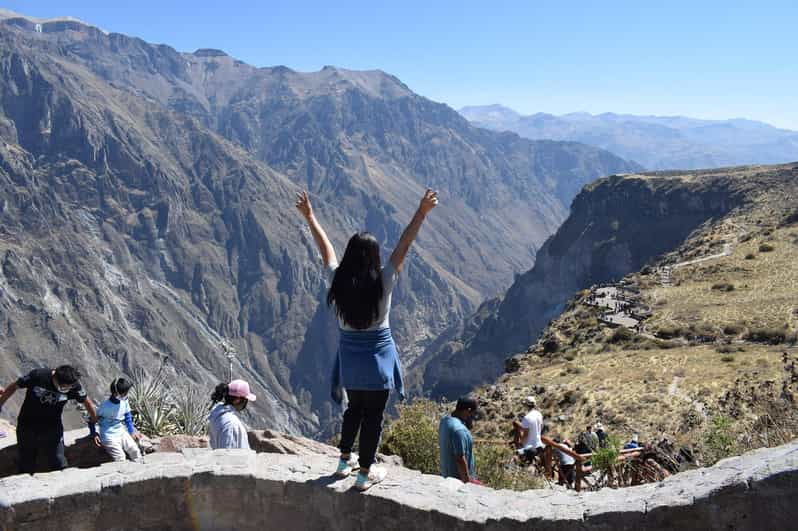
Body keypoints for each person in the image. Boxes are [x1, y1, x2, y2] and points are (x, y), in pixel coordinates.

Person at [296, 188, 438, 492]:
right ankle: (364, 475)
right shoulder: (383, 282)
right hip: (378, 360)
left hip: (349, 360)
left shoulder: (338, 281)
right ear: (374, 258)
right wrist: (421, 212)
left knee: (353, 411)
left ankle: (343, 462)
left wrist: (310, 217)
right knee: (373, 417)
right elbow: (404, 244)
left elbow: (326, 251)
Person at [0, 365, 97, 474]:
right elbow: (14, 386)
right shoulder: (38, 376)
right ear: (55, 377)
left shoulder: (73, 385)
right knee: (26, 460)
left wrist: (94, 421)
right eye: (63, 387)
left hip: (52, 426)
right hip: (27, 423)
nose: (66, 389)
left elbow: (86, 401)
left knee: (58, 460)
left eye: (68, 387)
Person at [93, 378, 142, 462]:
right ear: (116, 393)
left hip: (120, 431)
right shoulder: (104, 406)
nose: (127, 394)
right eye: (125, 393)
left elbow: (127, 415)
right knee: (120, 457)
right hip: (108, 436)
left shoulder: (124, 400)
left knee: (135, 451)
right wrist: (94, 434)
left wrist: (131, 431)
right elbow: (92, 419)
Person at [439, 396, 480, 484]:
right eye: (474, 413)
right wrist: (468, 483)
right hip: (458, 482)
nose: (474, 417)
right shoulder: (459, 430)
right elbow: (460, 458)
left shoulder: (444, 421)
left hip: (446, 477)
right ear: (468, 411)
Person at [208, 380, 255, 450]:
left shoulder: (217, 414)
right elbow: (229, 456)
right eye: (246, 400)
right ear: (237, 400)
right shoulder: (232, 425)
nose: (246, 403)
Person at [513, 396, 544, 463]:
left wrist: (521, 443)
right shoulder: (539, 414)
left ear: (526, 406)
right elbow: (541, 427)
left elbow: (525, 434)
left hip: (530, 446)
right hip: (539, 444)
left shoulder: (527, 418)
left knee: (515, 457)